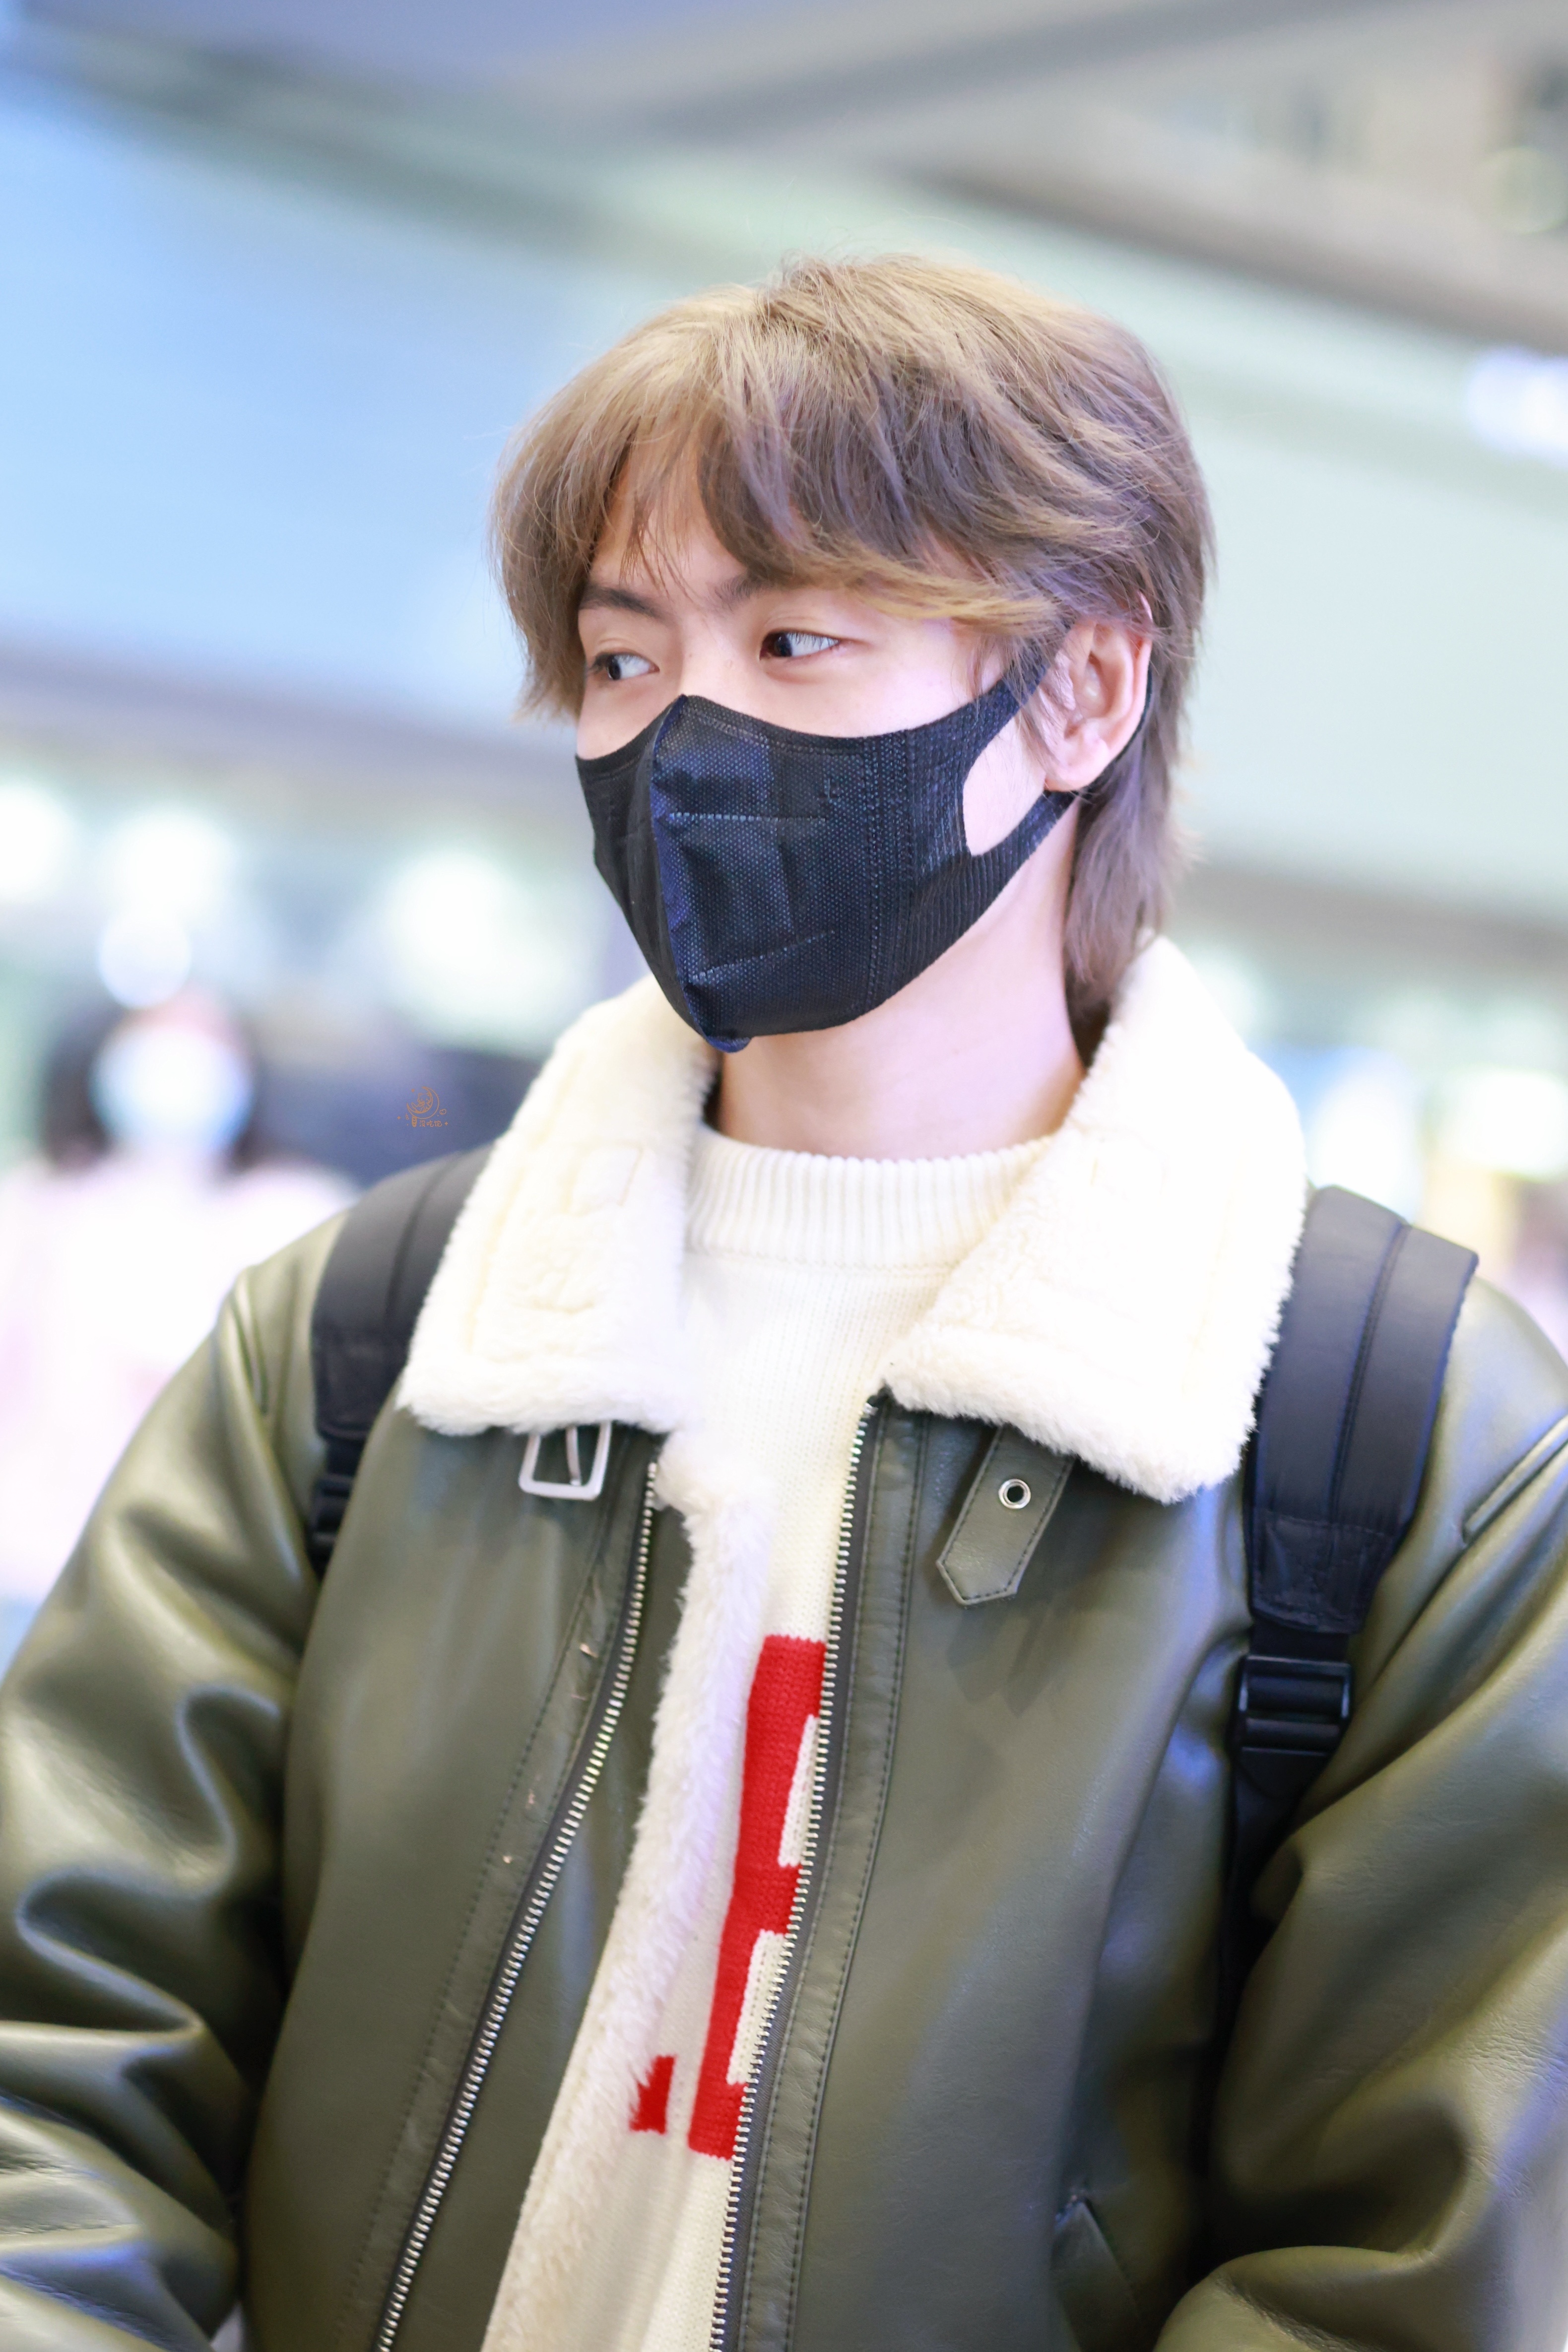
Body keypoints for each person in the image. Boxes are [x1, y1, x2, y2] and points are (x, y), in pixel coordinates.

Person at [0, 256, 1565, 2352]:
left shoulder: (1396, 1436)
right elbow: (60, 2052)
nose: (682, 733)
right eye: (622, 655)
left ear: (1084, 692)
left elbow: (1411, 2266)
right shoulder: (373, 1340)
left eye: (794, 639)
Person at [0, 990, 351, 1664]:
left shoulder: (296, 1213)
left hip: (207, 1583)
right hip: (33, 1563)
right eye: (155, 1037)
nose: (179, 1064)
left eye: (206, 1041)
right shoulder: (39, 1200)